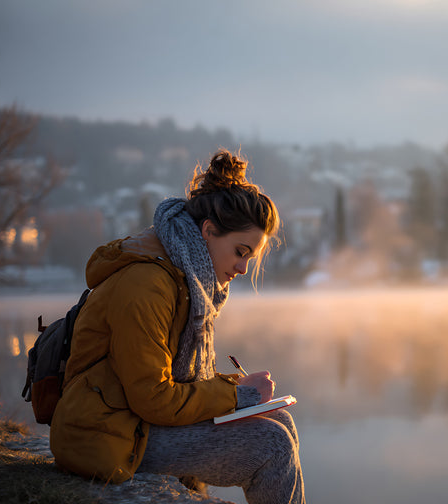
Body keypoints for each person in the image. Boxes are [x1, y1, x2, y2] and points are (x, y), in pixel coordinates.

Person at [50, 149, 306, 504]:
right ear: (208, 231)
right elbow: (154, 398)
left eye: (250, 257)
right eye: (241, 251)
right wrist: (239, 395)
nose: (244, 268)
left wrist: (240, 393)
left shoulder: (185, 279)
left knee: (280, 421)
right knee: (272, 445)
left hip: (135, 420)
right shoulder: (146, 284)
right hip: (107, 433)